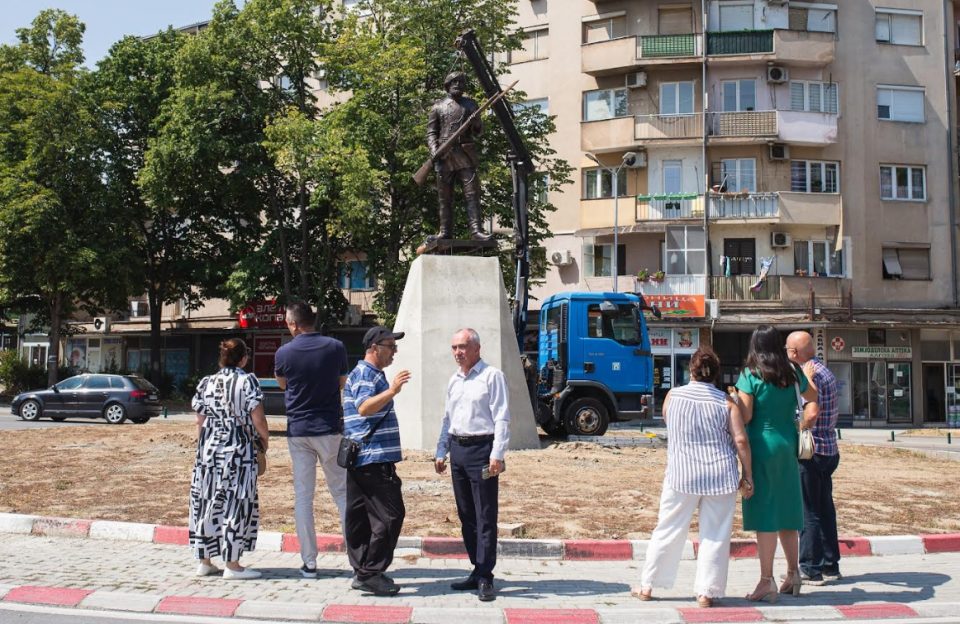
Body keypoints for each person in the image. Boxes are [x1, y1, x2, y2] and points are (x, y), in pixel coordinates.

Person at [634, 346, 752, 608]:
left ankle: (647, 585)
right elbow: (741, 440)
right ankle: (706, 593)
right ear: (716, 373)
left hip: (681, 475)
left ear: (691, 370)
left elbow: (669, 422)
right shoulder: (726, 402)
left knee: (668, 528)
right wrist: (747, 475)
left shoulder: (673, 397)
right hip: (720, 476)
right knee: (715, 534)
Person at [735, 325, 818, 602]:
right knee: (787, 511)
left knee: (766, 514)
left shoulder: (751, 374)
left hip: (762, 444)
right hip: (788, 442)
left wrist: (734, 398)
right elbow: (812, 397)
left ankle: (766, 580)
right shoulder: (792, 372)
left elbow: (746, 416)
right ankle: (793, 574)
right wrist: (802, 421)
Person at [274, 302, 348, 578]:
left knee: (304, 496)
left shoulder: (284, 352)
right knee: (341, 493)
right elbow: (341, 382)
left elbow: (282, 385)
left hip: (299, 430)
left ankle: (309, 563)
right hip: (329, 428)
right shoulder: (335, 347)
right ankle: (356, 558)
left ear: (294, 324)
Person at [435, 328, 509, 601]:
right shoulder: (454, 380)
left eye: (463, 347)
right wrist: (441, 450)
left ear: (477, 348)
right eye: (454, 347)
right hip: (458, 450)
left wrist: (497, 454)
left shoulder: (492, 377)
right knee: (466, 514)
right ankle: (476, 569)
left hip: (482, 450)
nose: (458, 352)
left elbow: (502, 417)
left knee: (485, 515)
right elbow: (447, 418)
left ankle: (486, 576)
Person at [189, 338, 269, 580]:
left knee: (207, 500)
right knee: (236, 501)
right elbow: (258, 418)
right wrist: (264, 442)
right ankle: (232, 565)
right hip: (238, 451)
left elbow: (199, 421)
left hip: (209, 451)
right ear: (243, 359)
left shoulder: (206, 382)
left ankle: (205, 561)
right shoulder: (247, 381)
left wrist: (205, 447)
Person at [341, 326, 411, 596]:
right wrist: (393, 390)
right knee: (391, 515)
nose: (394, 351)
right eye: (390, 346)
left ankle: (363, 571)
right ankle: (371, 572)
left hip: (363, 458)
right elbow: (364, 407)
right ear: (374, 348)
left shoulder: (366, 373)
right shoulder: (366, 374)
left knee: (360, 517)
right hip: (372, 457)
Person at [786, 331, 841, 585]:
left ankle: (811, 567)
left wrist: (797, 428)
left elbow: (811, 409)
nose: (786, 353)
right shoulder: (824, 368)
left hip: (813, 450)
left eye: (787, 349)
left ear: (795, 353)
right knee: (825, 508)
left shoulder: (810, 374)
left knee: (809, 510)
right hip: (829, 448)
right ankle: (831, 564)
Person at [426, 71, 491, 241]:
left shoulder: (471, 105)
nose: (458, 85)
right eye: (454, 82)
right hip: (444, 156)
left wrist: (476, 122)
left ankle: (476, 231)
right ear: (447, 85)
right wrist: (434, 151)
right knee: (444, 198)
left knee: (472, 195)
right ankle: (445, 232)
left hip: (466, 155)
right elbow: (431, 133)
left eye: (461, 82)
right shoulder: (438, 107)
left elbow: (478, 132)